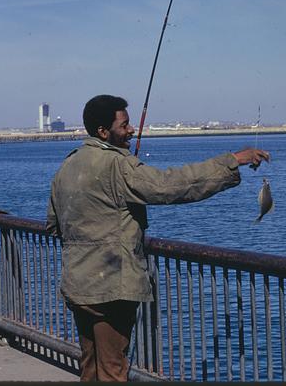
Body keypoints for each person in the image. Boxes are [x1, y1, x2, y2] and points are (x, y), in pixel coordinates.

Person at [46, 94, 270, 381]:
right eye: (124, 125)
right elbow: (170, 186)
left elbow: (53, 223)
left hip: (77, 284)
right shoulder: (118, 164)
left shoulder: (68, 166)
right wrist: (232, 161)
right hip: (111, 286)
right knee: (113, 370)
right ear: (103, 132)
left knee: (90, 367)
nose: (131, 130)